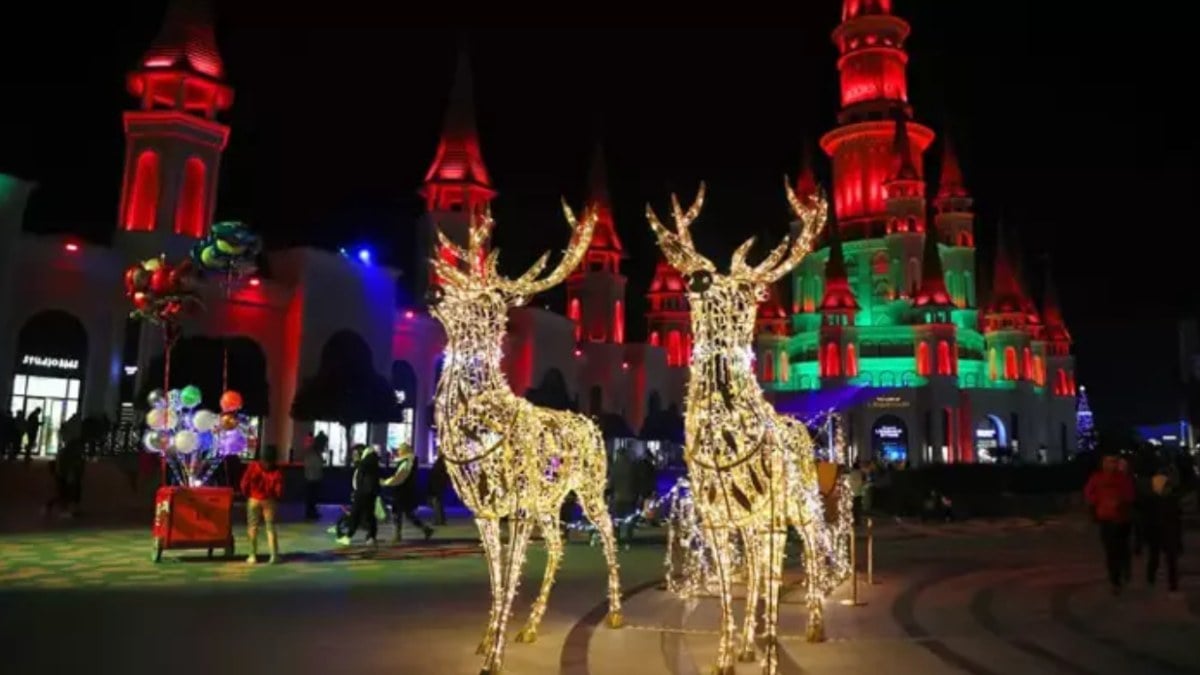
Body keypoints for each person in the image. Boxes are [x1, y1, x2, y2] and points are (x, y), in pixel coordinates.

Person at [1084, 454, 1136, 594]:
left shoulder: (1122, 478)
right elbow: (1089, 494)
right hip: (1106, 519)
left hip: (1121, 519)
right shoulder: (1097, 477)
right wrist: (1098, 503)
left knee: (1122, 548)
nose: (1110, 465)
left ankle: (1124, 570)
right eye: (1107, 462)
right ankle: (1115, 580)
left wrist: (1120, 503)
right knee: (1111, 550)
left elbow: (1130, 496)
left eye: (1113, 462)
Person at [240, 445, 285, 564]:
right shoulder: (276, 470)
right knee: (270, 527)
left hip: (254, 499)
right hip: (269, 500)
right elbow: (279, 489)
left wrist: (247, 494)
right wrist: (276, 497)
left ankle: (252, 555)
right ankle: (274, 555)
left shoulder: (253, 466)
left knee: (252, 527)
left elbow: (244, 482)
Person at [1143, 464, 1183, 595]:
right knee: (1162, 558)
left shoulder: (1156, 500)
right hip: (1162, 531)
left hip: (1163, 531)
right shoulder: (1167, 499)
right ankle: (1164, 582)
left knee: (1162, 558)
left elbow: (1177, 519)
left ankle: (1160, 581)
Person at [383, 444, 433, 543]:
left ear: (405, 451)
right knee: (407, 514)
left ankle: (398, 535)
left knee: (397, 513)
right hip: (404, 491)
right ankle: (425, 529)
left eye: (400, 450)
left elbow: (400, 476)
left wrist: (386, 482)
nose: (398, 452)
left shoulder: (407, 461)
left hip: (402, 491)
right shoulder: (407, 461)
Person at [337, 444, 381, 547]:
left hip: (365, 492)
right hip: (364, 491)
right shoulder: (369, 458)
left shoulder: (369, 458)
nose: (354, 456)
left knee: (357, 514)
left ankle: (350, 536)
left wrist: (357, 461)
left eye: (355, 453)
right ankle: (370, 537)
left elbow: (362, 468)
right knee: (366, 515)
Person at [303, 433, 326, 520]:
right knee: (311, 497)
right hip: (312, 477)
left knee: (312, 497)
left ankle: (311, 512)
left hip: (312, 477)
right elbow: (316, 464)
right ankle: (310, 513)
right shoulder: (312, 451)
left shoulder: (313, 451)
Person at [427, 452, 449, 526]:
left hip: (436, 486)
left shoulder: (439, 464)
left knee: (437, 504)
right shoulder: (443, 464)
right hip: (438, 486)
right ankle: (441, 520)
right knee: (438, 503)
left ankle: (438, 520)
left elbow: (436, 476)